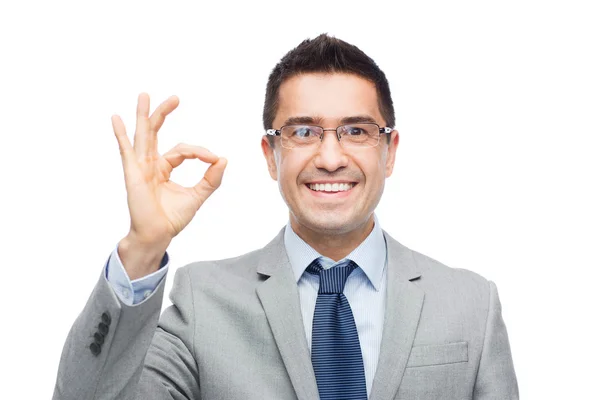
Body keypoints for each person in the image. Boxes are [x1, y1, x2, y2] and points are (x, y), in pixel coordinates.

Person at [53, 34, 519, 400]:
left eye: (357, 130)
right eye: (303, 131)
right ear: (272, 155)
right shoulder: (203, 304)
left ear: (388, 151)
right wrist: (142, 248)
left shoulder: (471, 306)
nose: (331, 157)